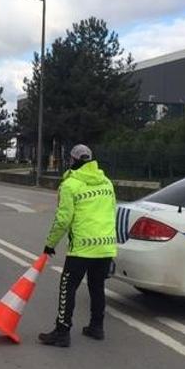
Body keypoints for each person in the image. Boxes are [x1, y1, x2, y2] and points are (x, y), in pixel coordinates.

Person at [38, 144, 117, 347]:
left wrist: (50, 244)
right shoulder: (107, 182)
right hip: (105, 246)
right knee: (97, 286)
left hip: (82, 247)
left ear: (72, 160)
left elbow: (63, 219)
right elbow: (112, 212)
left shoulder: (70, 185)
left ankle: (62, 332)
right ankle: (96, 327)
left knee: (67, 287)